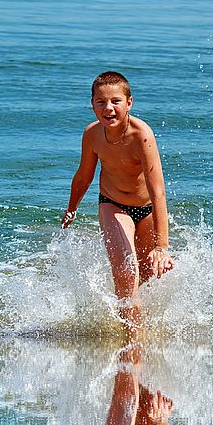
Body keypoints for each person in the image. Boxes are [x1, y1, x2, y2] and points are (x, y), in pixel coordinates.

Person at [61, 71, 174, 325]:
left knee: (146, 277)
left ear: (129, 103)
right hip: (112, 204)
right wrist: (71, 208)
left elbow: (158, 193)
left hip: (145, 209)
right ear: (92, 105)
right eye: (100, 102)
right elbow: (83, 176)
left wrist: (162, 247)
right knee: (126, 270)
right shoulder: (92, 135)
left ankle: (140, 330)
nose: (108, 108)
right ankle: (130, 338)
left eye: (116, 101)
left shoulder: (142, 135)